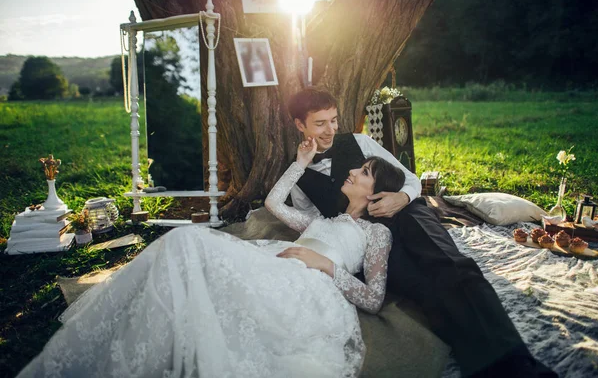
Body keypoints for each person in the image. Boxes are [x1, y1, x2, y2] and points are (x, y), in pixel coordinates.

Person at [16, 146, 406, 378]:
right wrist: (300, 161)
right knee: (184, 245)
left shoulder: (376, 234)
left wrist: (325, 265)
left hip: (308, 289)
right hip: (275, 265)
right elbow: (273, 203)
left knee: (186, 240)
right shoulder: (322, 219)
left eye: (365, 172)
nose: (353, 171)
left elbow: (373, 297)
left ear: (377, 192)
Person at [288, 87, 557, 378]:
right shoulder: (298, 175)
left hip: (407, 214)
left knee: (451, 268)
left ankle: (519, 366)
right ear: (300, 125)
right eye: (320, 123)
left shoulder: (361, 142)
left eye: (334, 120)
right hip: (367, 238)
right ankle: (486, 368)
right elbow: (313, 221)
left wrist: (400, 198)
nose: (330, 130)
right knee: (420, 288)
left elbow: (411, 179)